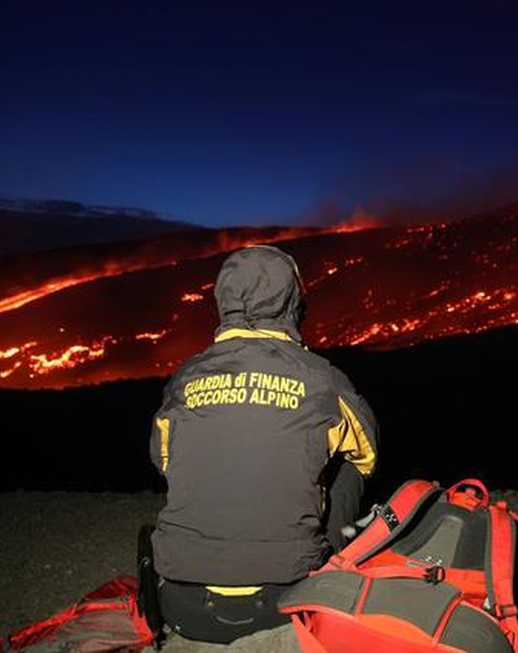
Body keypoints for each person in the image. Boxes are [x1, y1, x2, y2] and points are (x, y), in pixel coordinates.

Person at [147, 244, 379, 644]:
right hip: (284, 601)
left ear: (223, 302)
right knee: (348, 465)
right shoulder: (321, 379)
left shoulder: (185, 379)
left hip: (180, 604)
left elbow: (163, 461)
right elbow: (368, 456)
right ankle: (338, 570)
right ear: (293, 302)